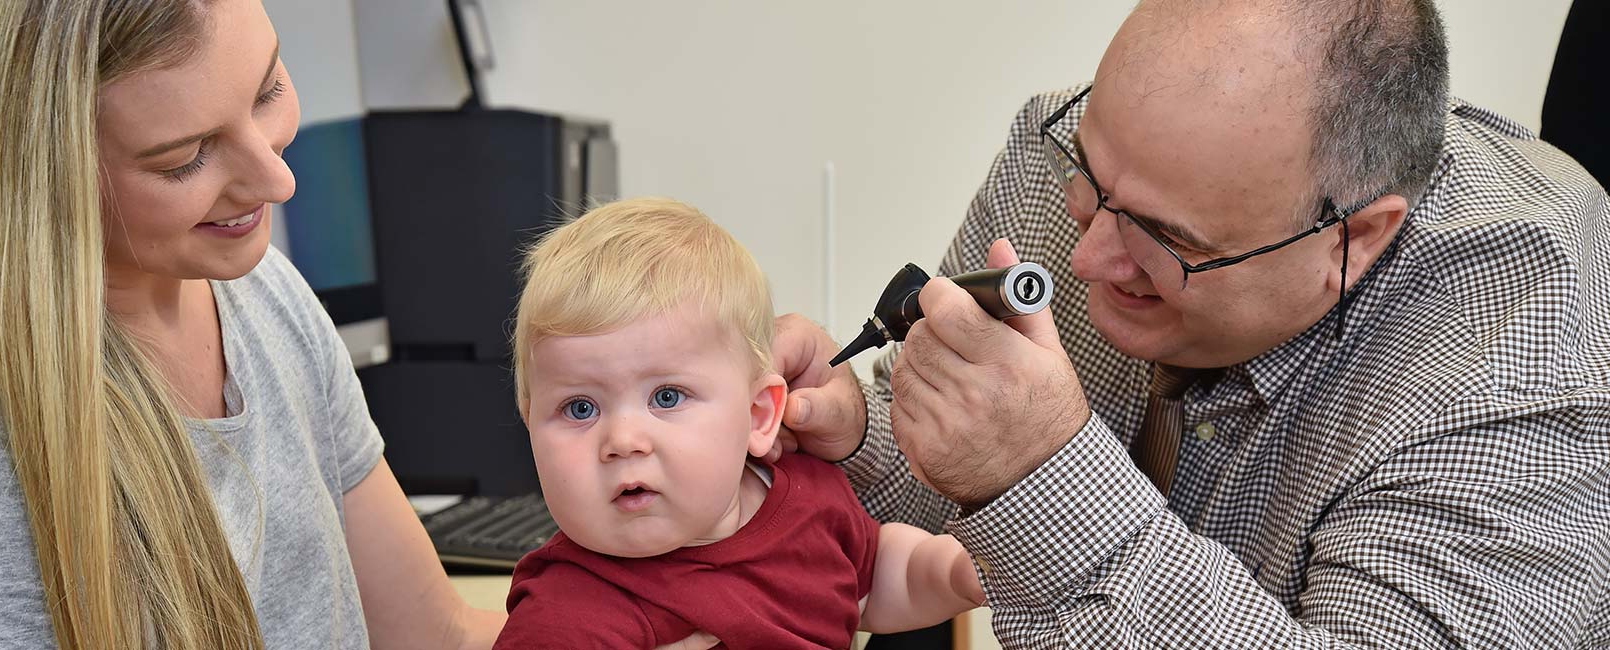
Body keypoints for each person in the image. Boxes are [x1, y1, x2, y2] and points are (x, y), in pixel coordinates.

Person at [773, 0, 1610, 646]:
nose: (1088, 258)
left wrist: (1039, 477)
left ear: (1352, 239)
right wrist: (858, 438)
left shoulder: (1522, 360)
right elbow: (922, 522)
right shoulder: (1073, 148)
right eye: (1091, 181)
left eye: (1166, 239)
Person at [0, 0, 561, 648]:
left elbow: (434, 634)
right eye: (184, 158)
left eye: (267, 91)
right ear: (19, 182)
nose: (278, 180)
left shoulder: (261, 293)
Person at [496, 198, 984, 648]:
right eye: (580, 408)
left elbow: (874, 577)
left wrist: (955, 572)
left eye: (666, 397)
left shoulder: (811, 498)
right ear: (531, 425)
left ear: (759, 415)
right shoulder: (567, 616)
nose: (622, 441)